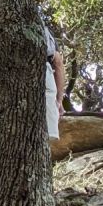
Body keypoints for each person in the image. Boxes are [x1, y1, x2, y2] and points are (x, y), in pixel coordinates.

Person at [41, 9, 66, 157]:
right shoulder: (44, 31)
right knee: (47, 134)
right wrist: (59, 100)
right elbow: (58, 63)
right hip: (44, 74)